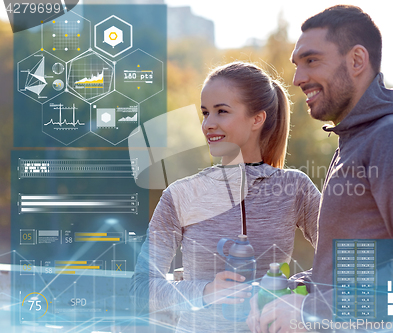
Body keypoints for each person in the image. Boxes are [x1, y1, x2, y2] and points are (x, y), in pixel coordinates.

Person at [248, 5, 393, 333]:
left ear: (357, 61)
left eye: (311, 61)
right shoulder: (356, 140)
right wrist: (295, 290)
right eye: (297, 65)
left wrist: (311, 310)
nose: (298, 79)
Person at [130, 61, 321, 333]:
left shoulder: (295, 188)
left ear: (257, 118)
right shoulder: (181, 195)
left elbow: (347, 261)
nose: (209, 124)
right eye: (205, 113)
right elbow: (140, 289)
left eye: (222, 112)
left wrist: (290, 288)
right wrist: (206, 292)